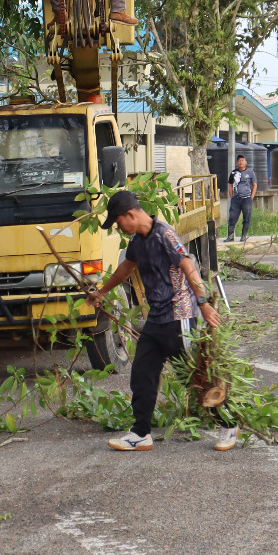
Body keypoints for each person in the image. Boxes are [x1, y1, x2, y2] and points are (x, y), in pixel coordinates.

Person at [87, 190, 222, 452]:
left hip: (179, 317)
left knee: (194, 376)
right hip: (157, 318)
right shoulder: (137, 240)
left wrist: (203, 303)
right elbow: (126, 268)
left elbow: (188, 267)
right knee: (142, 373)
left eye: (118, 222)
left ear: (130, 214)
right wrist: (101, 292)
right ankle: (140, 434)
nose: (118, 228)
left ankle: (228, 423)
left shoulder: (164, 235)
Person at [226, 154, 257, 241]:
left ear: (246, 162)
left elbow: (254, 185)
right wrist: (231, 196)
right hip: (236, 199)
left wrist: (251, 197)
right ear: (237, 162)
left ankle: (243, 236)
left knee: (246, 217)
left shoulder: (250, 172)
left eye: (242, 160)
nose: (241, 162)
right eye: (239, 160)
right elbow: (230, 184)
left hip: (247, 199)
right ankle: (230, 236)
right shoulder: (233, 173)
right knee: (232, 217)